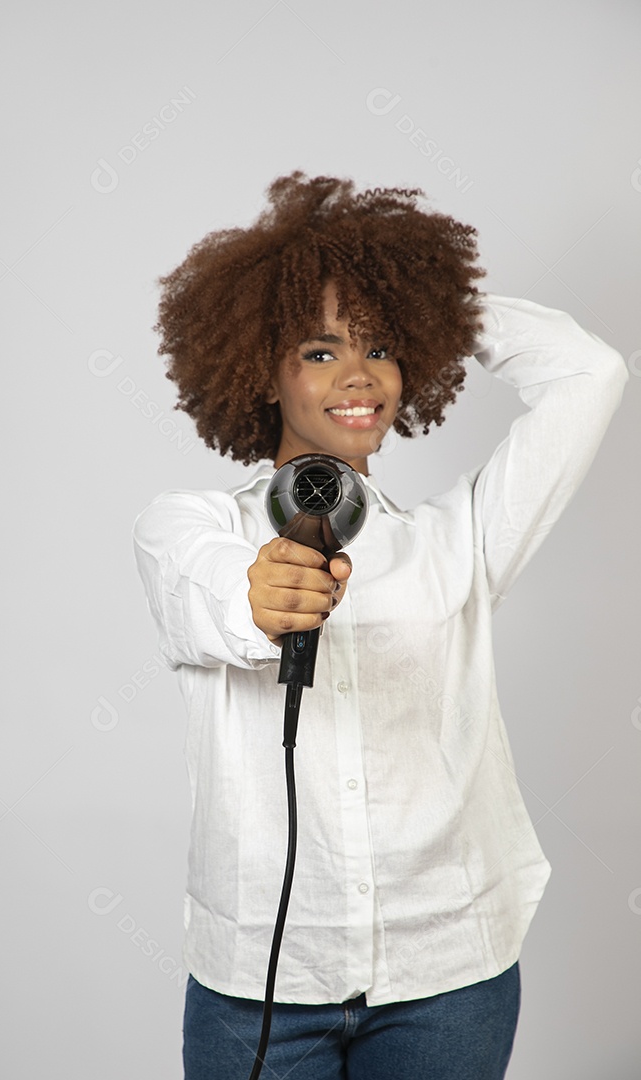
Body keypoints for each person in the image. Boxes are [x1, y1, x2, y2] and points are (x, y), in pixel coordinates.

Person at [132, 172, 628, 1079]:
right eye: (320, 351)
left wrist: (435, 302)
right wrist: (261, 600)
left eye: (385, 347)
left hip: (452, 978)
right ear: (260, 367)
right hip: (266, 988)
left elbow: (590, 373)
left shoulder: (464, 538)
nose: (359, 376)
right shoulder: (187, 529)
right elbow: (209, 592)